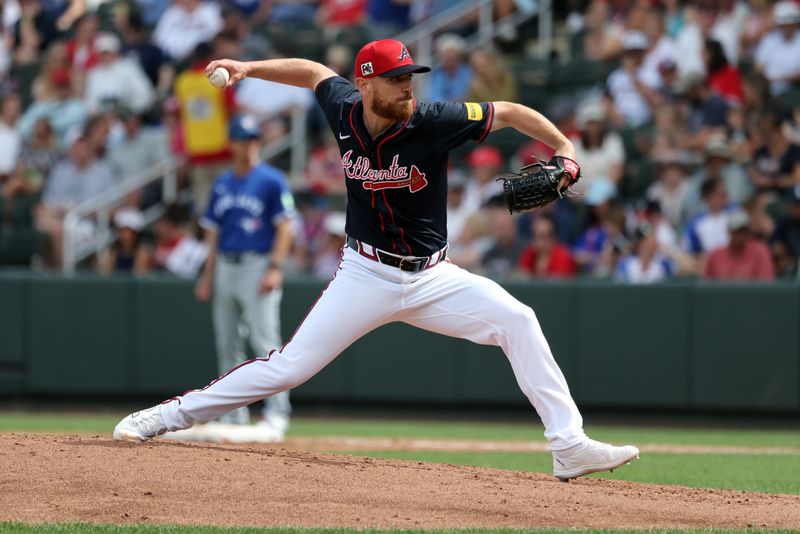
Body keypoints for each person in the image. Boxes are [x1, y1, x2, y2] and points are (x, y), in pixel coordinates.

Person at [113, 39, 639, 481]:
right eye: (395, 79)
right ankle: (166, 415)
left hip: (434, 276)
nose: (408, 87)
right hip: (365, 273)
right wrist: (248, 68)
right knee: (289, 367)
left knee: (518, 320)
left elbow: (508, 113)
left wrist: (565, 148)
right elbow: (315, 72)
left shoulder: (434, 120)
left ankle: (568, 445)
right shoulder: (343, 106)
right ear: (365, 84)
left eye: (410, 76)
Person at [191, 114, 294, 440]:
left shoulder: (271, 179)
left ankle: (277, 414)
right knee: (228, 345)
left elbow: (286, 227)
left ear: (257, 143)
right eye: (241, 139)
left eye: (252, 139)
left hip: (257, 264)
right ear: (232, 143)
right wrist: (207, 276)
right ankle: (234, 414)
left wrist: (275, 267)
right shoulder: (222, 183)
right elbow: (212, 235)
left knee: (266, 343)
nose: (247, 145)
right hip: (225, 265)